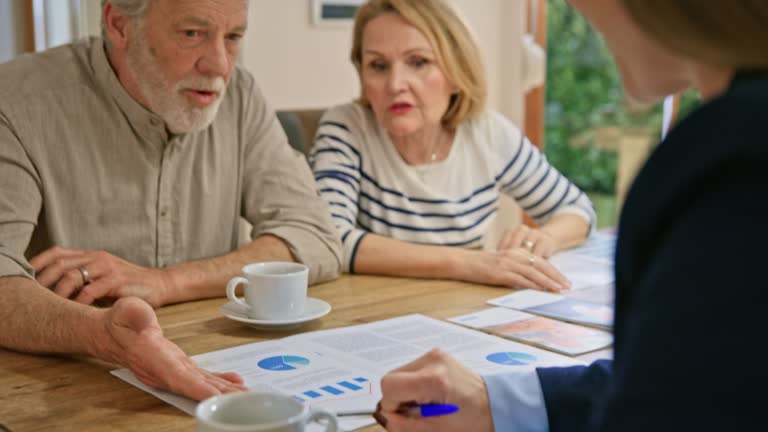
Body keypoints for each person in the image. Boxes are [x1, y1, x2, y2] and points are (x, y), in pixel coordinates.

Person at [375, 0, 768, 430]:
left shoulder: (737, 163)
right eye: (377, 65)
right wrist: (496, 403)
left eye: (418, 62)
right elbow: (692, 377)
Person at [0, 0, 342, 400]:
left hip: (222, 378)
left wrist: (167, 282)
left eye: (232, 37)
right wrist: (102, 335)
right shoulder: (18, 100)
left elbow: (315, 235)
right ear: (119, 24)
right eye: (192, 34)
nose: (220, 66)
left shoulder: (241, 97)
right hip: (60, 391)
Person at [310, 0, 595, 292]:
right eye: (378, 66)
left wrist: (546, 237)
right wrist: (470, 264)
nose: (395, 84)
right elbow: (331, 239)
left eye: (418, 62)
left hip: (461, 310)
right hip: (374, 312)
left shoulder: (489, 133)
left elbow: (577, 210)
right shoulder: (346, 127)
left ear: (457, 71)